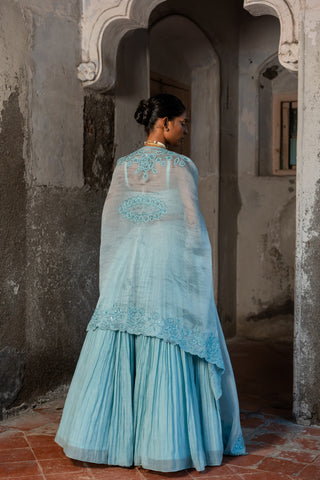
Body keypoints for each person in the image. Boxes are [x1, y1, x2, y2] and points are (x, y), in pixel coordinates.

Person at [55, 93, 246, 472]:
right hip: (165, 267)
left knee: (121, 336)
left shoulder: (123, 166)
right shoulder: (180, 166)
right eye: (183, 122)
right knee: (168, 336)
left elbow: (112, 223)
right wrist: (197, 279)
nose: (185, 129)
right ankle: (163, 444)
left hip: (128, 268)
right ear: (165, 124)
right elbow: (192, 226)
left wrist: (112, 272)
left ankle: (102, 439)